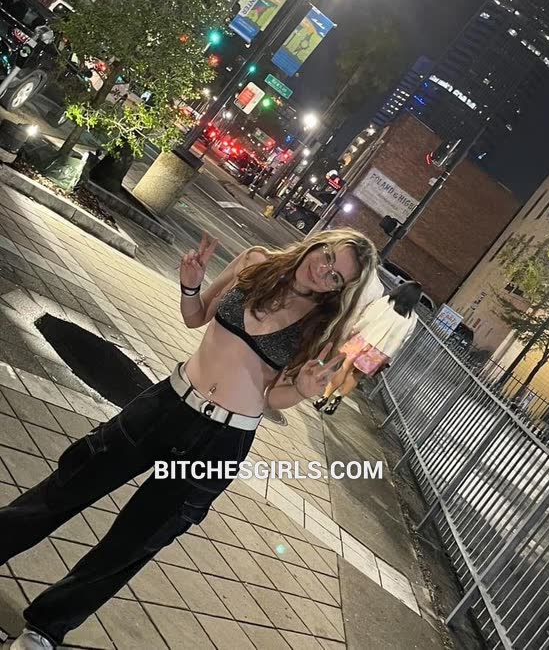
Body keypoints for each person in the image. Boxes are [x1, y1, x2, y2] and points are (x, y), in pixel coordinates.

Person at [0, 228, 377, 650]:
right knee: (68, 486)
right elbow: (195, 316)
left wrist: (302, 391)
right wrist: (191, 285)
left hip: (221, 443)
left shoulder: (321, 329)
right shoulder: (254, 262)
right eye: (328, 256)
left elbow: (273, 396)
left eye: (335, 276)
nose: (323, 270)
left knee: (132, 544)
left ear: (338, 290)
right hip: (167, 405)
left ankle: (45, 629)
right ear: (319, 244)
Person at [314, 281, 422, 415]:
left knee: (344, 368)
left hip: (365, 339)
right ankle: (337, 399)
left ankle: (324, 397)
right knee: (356, 376)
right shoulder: (413, 319)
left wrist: (354, 330)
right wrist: (389, 359)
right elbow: (402, 341)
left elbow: (368, 318)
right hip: (380, 352)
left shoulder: (387, 301)